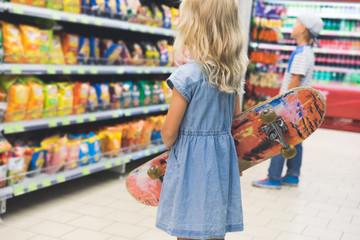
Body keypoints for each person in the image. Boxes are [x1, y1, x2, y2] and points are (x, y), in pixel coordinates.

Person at [155, 0, 248, 239]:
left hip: (190, 168)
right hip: (220, 166)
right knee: (214, 229)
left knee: (187, 229)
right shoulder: (231, 74)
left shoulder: (186, 76)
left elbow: (169, 133)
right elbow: (236, 122)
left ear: (193, 26)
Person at [252, 14, 324, 189]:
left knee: (279, 139)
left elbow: (295, 82)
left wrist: (281, 106)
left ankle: (274, 178)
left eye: (296, 23)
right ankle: (292, 175)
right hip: (299, 107)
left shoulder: (301, 54)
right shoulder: (307, 52)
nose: (293, 26)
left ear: (302, 29)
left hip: (290, 106)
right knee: (295, 139)